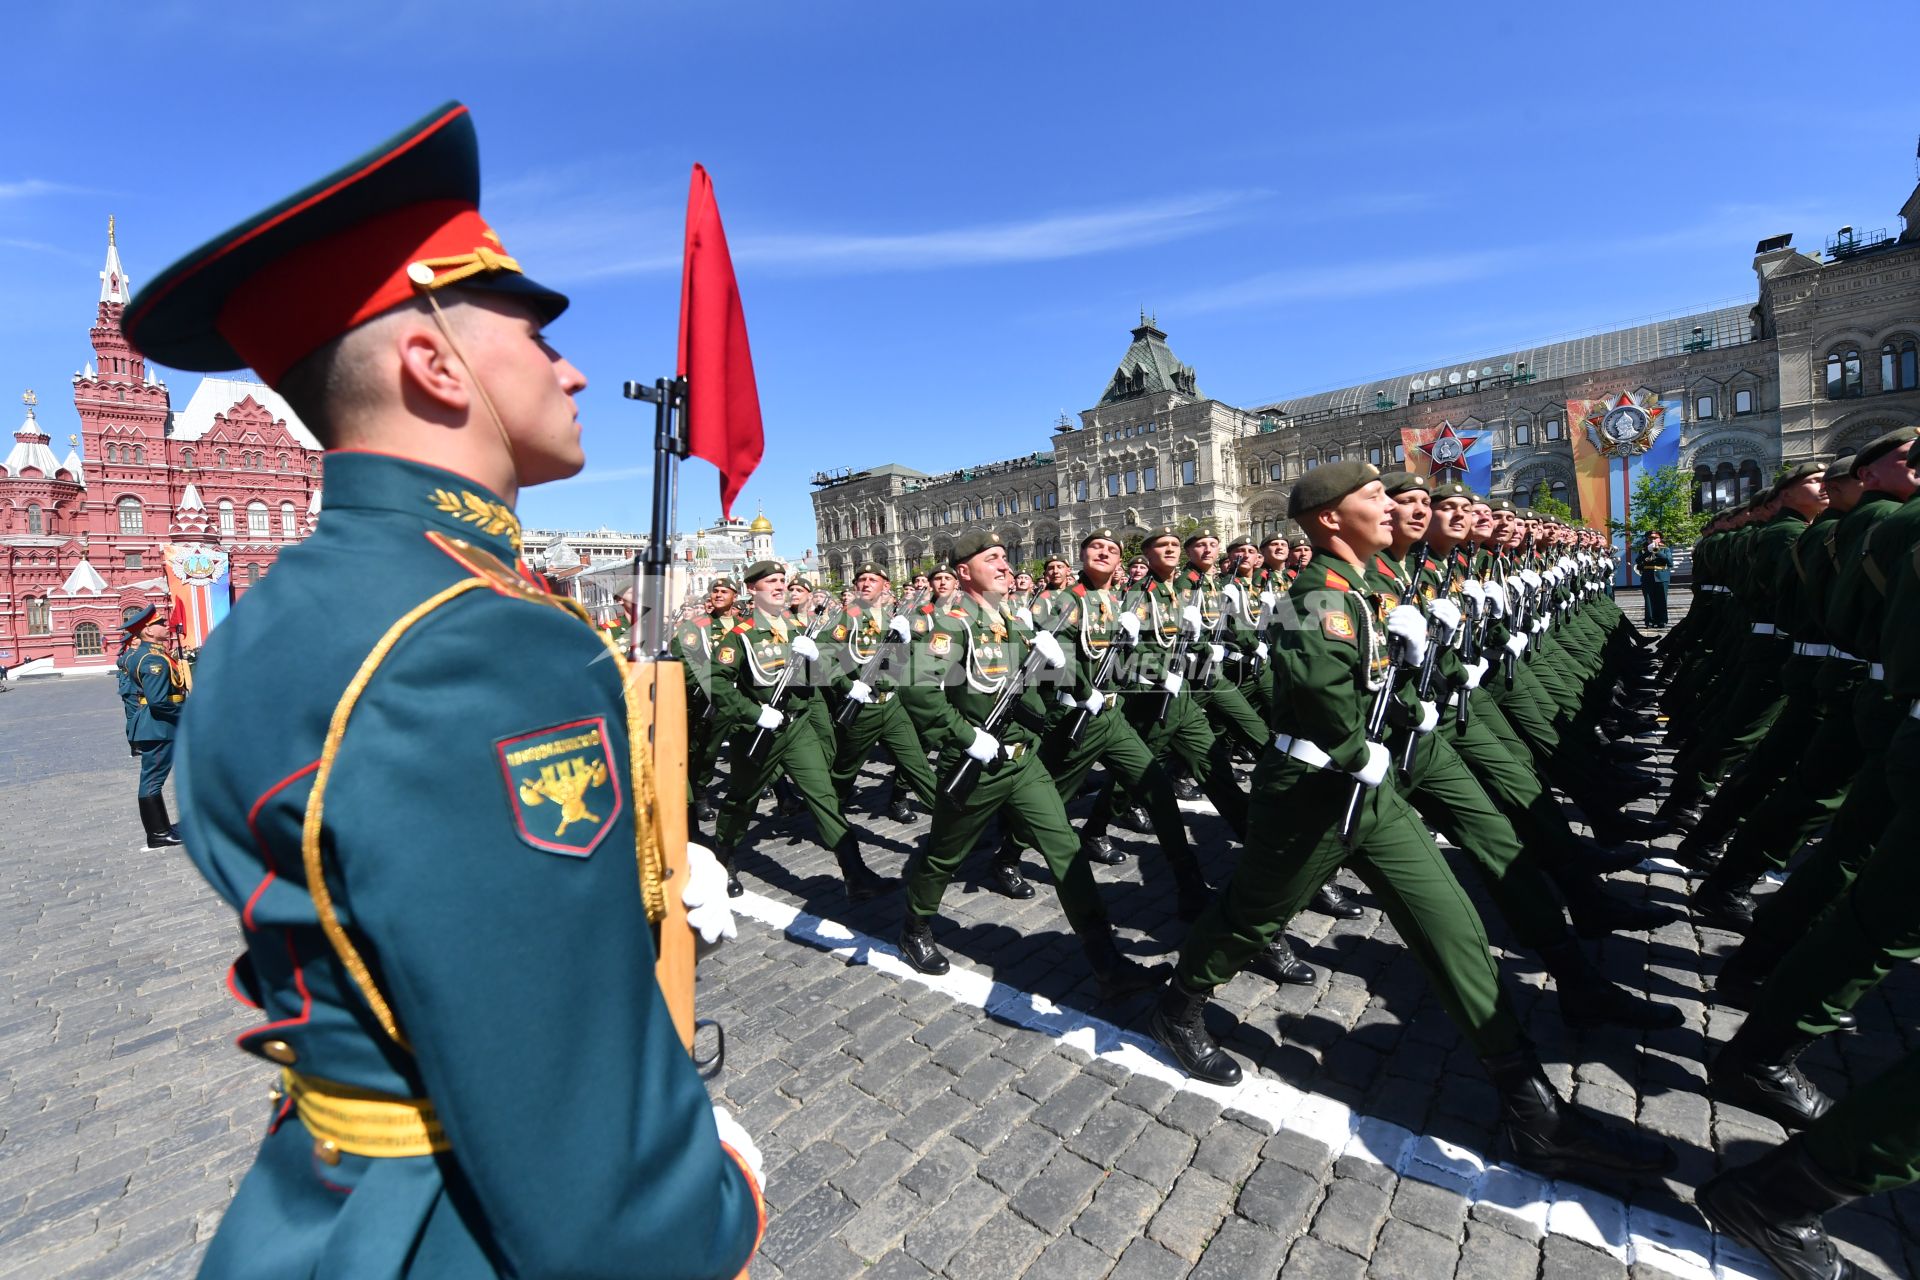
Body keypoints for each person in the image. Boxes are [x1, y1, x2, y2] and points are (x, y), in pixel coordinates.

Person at [125, 102, 764, 1277]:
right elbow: (590, 1180)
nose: (572, 366)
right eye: (534, 329)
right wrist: (708, 1190)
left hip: (323, 1201)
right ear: (432, 361)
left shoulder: (279, 613)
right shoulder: (478, 642)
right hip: (458, 1225)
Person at [1146, 461, 1673, 1183]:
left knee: (1449, 922)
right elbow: (1320, 692)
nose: (1391, 509)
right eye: (1373, 499)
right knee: (1252, 915)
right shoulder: (1313, 596)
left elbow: (1385, 678)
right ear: (1330, 517)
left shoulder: (1372, 585)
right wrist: (1363, 733)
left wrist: (1428, 674)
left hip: (1376, 785)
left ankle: (1532, 1110)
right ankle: (1179, 1005)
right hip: (1313, 793)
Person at [894, 532, 1162, 998]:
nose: (1002, 563)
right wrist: (964, 737)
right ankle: (916, 925)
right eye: (990, 558)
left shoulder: (1013, 622)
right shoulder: (953, 624)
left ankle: (1106, 960)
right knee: (944, 855)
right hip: (977, 765)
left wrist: (1069, 673)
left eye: (1004, 555)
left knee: (1067, 850)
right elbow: (916, 689)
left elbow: (1048, 684)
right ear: (963, 572)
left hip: (1024, 762)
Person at [124, 605, 187, 848]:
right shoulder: (152, 659)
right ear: (148, 631)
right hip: (160, 726)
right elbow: (159, 701)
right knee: (152, 780)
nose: (166, 626)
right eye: (161, 623)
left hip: (159, 725)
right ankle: (158, 833)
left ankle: (161, 829)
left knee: (152, 778)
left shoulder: (154, 655)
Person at [1634, 532, 1671, 627]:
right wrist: (1648, 551)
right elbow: (1637, 561)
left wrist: (1657, 552)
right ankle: (1650, 621)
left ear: (1660, 539)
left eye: (1655, 538)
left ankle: (1662, 620)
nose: (1653, 540)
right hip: (1648, 576)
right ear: (1647, 540)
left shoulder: (1665, 549)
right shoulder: (1643, 550)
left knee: (1662, 599)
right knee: (1649, 600)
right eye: (1650, 538)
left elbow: (1669, 562)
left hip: (1662, 576)